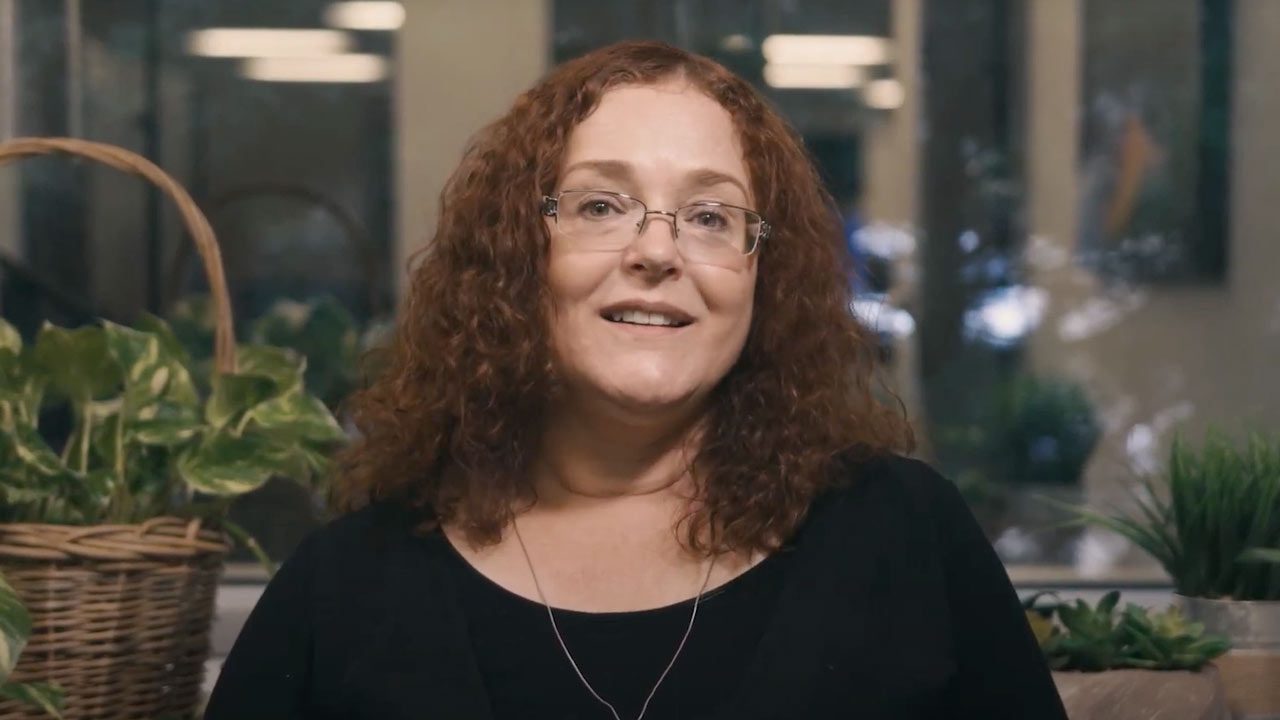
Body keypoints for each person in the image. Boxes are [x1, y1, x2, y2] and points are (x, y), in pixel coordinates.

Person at [205, 40, 1067, 720]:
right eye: (601, 205)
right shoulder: (349, 587)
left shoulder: (908, 539)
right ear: (517, 256)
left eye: (709, 216)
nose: (656, 250)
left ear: (763, 272)